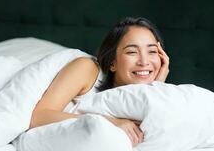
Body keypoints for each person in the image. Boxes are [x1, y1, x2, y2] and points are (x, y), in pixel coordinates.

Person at [29, 17, 170, 147]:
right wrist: (110, 122)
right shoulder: (87, 69)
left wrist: (156, 88)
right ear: (112, 62)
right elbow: (38, 117)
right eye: (132, 52)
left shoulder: (153, 98)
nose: (144, 62)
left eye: (152, 51)